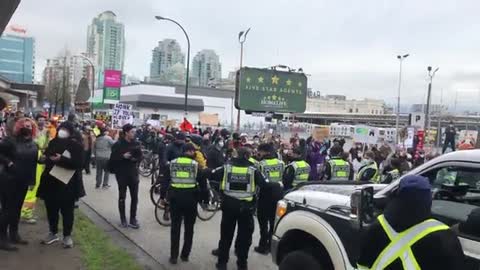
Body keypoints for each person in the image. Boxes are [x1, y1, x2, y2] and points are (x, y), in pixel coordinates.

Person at [356, 175, 465, 270]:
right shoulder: (445, 237)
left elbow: (362, 264)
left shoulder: (376, 227)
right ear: (428, 200)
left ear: (397, 195)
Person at [210, 147, 268, 270]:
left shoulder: (227, 168)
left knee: (226, 236)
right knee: (244, 238)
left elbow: (213, 175)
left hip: (229, 207)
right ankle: (242, 264)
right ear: (248, 156)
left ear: (236, 155)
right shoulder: (254, 170)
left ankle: (222, 263)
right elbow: (264, 183)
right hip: (246, 209)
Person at [37, 121, 85, 248]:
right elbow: (48, 156)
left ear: (70, 132)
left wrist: (61, 159)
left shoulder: (76, 146)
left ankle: (67, 236)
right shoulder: (53, 142)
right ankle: (53, 232)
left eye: (66, 129)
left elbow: (79, 164)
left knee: (67, 211)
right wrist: (43, 159)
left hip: (67, 185)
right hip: (50, 183)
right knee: (51, 209)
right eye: (61, 128)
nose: (62, 131)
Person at [165, 143, 207, 264]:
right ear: (191, 151)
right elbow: (203, 184)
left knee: (175, 228)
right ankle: (185, 255)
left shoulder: (173, 163)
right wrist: (204, 200)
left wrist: (163, 196)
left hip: (175, 199)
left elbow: (165, 180)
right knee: (189, 228)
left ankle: (173, 256)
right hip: (191, 200)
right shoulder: (195, 165)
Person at [0, 118, 38, 251]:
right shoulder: (10, 141)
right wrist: (8, 163)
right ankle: (2, 238)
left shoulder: (33, 144)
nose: (27, 127)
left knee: (17, 209)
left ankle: (14, 234)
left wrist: (32, 181)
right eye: (25, 125)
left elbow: (33, 164)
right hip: (8, 180)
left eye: (30, 126)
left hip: (23, 181)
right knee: (7, 210)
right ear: (19, 126)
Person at [109, 124, 143, 228]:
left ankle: (133, 218)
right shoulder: (118, 144)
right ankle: (123, 219)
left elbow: (140, 156)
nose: (134, 134)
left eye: (134, 132)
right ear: (126, 132)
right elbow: (112, 160)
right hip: (122, 174)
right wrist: (122, 156)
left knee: (134, 197)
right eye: (132, 132)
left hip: (133, 173)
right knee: (122, 196)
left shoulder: (136, 143)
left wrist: (135, 159)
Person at [256, 143, 285, 255]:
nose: (259, 153)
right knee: (274, 222)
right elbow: (283, 178)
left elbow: (259, 182)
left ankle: (262, 245)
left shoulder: (261, 164)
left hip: (265, 195)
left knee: (263, 222)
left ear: (265, 152)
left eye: (260, 151)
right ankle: (270, 246)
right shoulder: (281, 163)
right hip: (278, 195)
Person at [20, 114, 50, 224]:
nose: (42, 122)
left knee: (33, 188)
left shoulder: (45, 132)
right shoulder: (32, 134)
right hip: (36, 161)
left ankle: (27, 212)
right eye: (40, 120)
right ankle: (26, 213)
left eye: (43, 120)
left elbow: (45, 146)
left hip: (39, 161)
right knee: (32, 188)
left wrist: (47, 138)